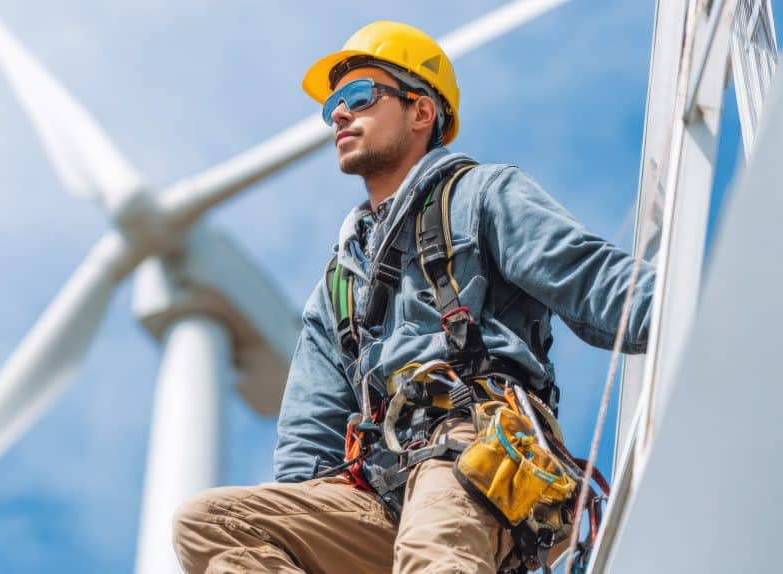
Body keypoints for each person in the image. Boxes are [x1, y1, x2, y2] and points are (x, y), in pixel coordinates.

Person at [173, 21, 654, 574]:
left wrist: (704, 316)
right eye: (332, 103)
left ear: (421, 111)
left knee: (434, 549)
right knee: (210, 522)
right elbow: (309, 444)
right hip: (379, 494)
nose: (338, 114)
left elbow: (592, 280)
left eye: (359, 95)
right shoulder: (339, 286)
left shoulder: (480, 195)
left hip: (474, 456)